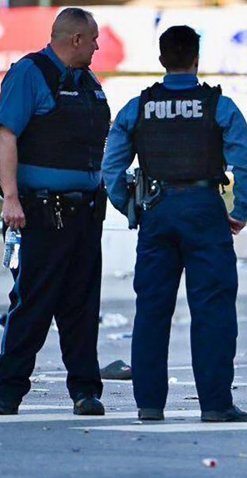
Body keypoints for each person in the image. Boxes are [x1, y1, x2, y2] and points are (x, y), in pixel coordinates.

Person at [101, 26, 247, 422]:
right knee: (213, 310)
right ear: (196, 59)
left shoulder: (139, 106)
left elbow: (111, 168)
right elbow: (244, 164)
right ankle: (216, 405)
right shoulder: (218, 105)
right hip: (205, 209)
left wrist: (130, 207)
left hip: (157, 210)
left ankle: (149, 405)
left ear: (161, 60)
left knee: (152, 311)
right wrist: (239, 211)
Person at [0, 8, 109, 416]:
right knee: (34, 301)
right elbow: (5, 135)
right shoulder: (31, 74)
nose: (99, 45)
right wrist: (10, 197)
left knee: (82, 304)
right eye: (94, 38)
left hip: (85, 214)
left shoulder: (87, 82)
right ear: (76, 39)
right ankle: (8, 389)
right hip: (41, 212)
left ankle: (85, 390)